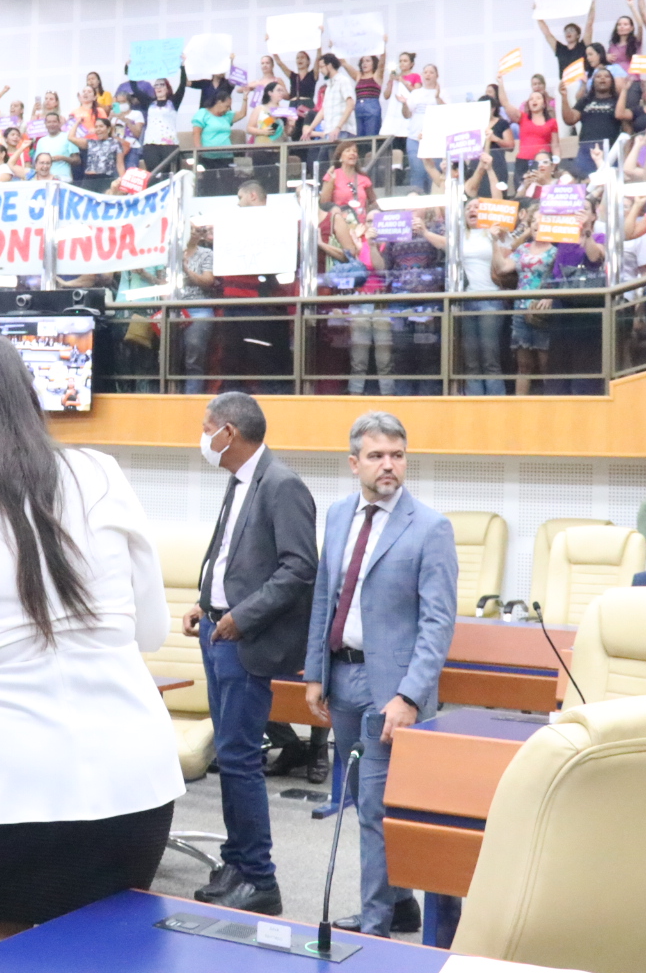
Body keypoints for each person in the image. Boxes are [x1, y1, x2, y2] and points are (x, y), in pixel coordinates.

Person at [0, 335, 182, 955]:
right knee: (107, 962)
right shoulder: (100, 472)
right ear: (28, 399)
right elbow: (151, 631)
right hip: (132, 779)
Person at [302, 411, 456, 938]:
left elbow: (438, 622)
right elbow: (324, 596)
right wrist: (315, 672)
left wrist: (410, 696)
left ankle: (374, 926)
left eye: (397, 455)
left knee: (374, 807)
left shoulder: (430, 527)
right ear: (354, 463)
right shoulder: (338, 515)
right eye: (376, 456)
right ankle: (401, 904)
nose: (388, 465)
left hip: (391, 690)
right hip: (341, 676)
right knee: (360, 798)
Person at [182, 392, 317, 915]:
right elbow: (228, 557)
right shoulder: (239, 480)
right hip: (217, 632)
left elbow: (299, 567)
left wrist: (241, 616)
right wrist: (204, 603)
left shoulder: (281, 485)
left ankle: (260, 878)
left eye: (207, 428)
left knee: (240, 759)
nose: (203, 437)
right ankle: (237, 862)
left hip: (245, 639)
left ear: (229, 432)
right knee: (231, 756)